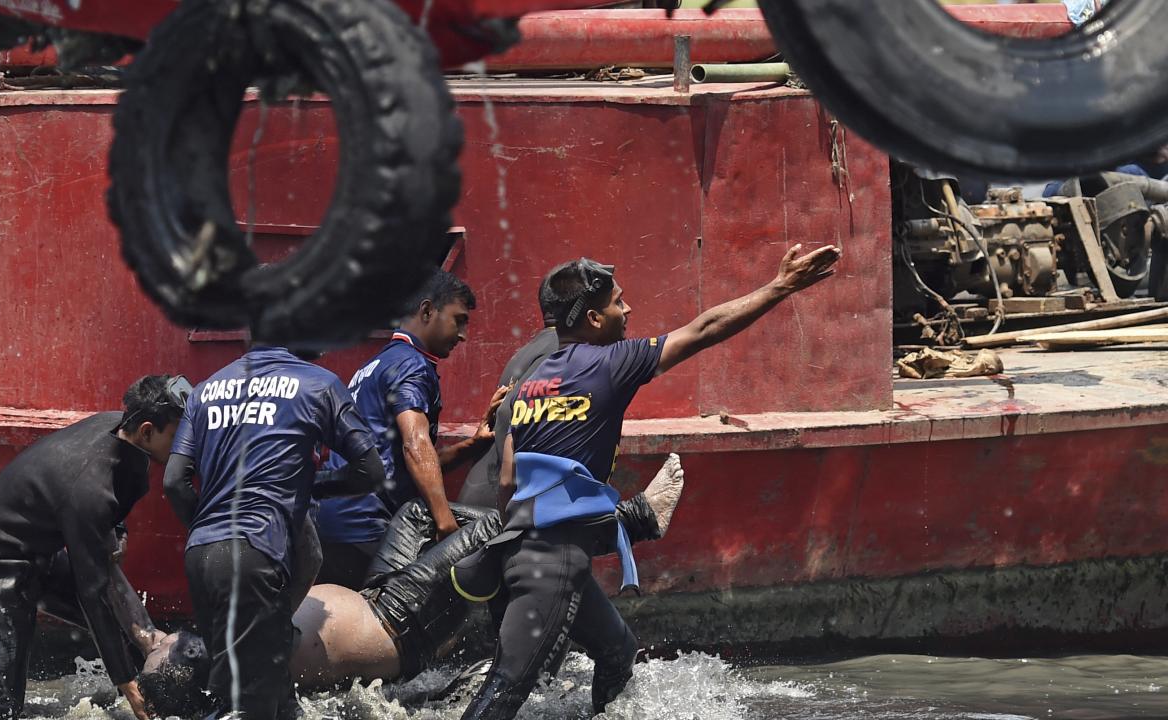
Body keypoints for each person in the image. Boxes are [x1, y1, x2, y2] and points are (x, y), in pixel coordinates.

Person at [462, 246, 841, 719]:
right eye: (618, 302)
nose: (628, 309)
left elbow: (507, 480)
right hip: (552, 563)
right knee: (504, 691)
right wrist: (780, 287)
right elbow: (703, 330)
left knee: (618, 652)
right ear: (594, 319)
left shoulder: (528, 385)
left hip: (527, 551)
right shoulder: (611, 363)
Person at [136, 454, 684, 719]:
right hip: (401, 623)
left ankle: (520, 578)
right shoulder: (251, 651)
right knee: (497, 530)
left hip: (377, 596)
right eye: (163, 644)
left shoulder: (228, 654)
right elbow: (303, 564)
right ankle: (629, 521)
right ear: (195, 655)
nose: (158, 635)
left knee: (421, 513)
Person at [162, 342, 387, 720]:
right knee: (247, 709)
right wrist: (308, 486)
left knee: (276, 703)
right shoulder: (319, 385)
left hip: (202, 557)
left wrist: (214, 532)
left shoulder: (205, 391)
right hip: (256, 554)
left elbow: (173, 482)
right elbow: (370, 470)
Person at [0, 374, 192, 720]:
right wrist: (126, 682)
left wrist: (118, 531)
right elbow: (92, 592)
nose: (186, 444)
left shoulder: (121, 430)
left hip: (42, 553)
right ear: (146, 431)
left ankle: (131, 704)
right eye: (177, 435)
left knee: (132, 639)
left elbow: (112, 504)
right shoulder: (89, 489)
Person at [315, 270, 507, 589]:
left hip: (330, 526)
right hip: (368, 526)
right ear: (427, 311)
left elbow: (407, 461)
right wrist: (446, 524)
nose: (462, 335)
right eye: (458, 320)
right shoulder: (411, 365)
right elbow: (415, 444)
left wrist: (472, 444)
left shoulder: (375, 365)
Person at [457, 275, 561, 509]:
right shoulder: (558, 353)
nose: (626, 309)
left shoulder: (533, 348)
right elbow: (511, 423)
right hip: (497, 506)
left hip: (481, 494)